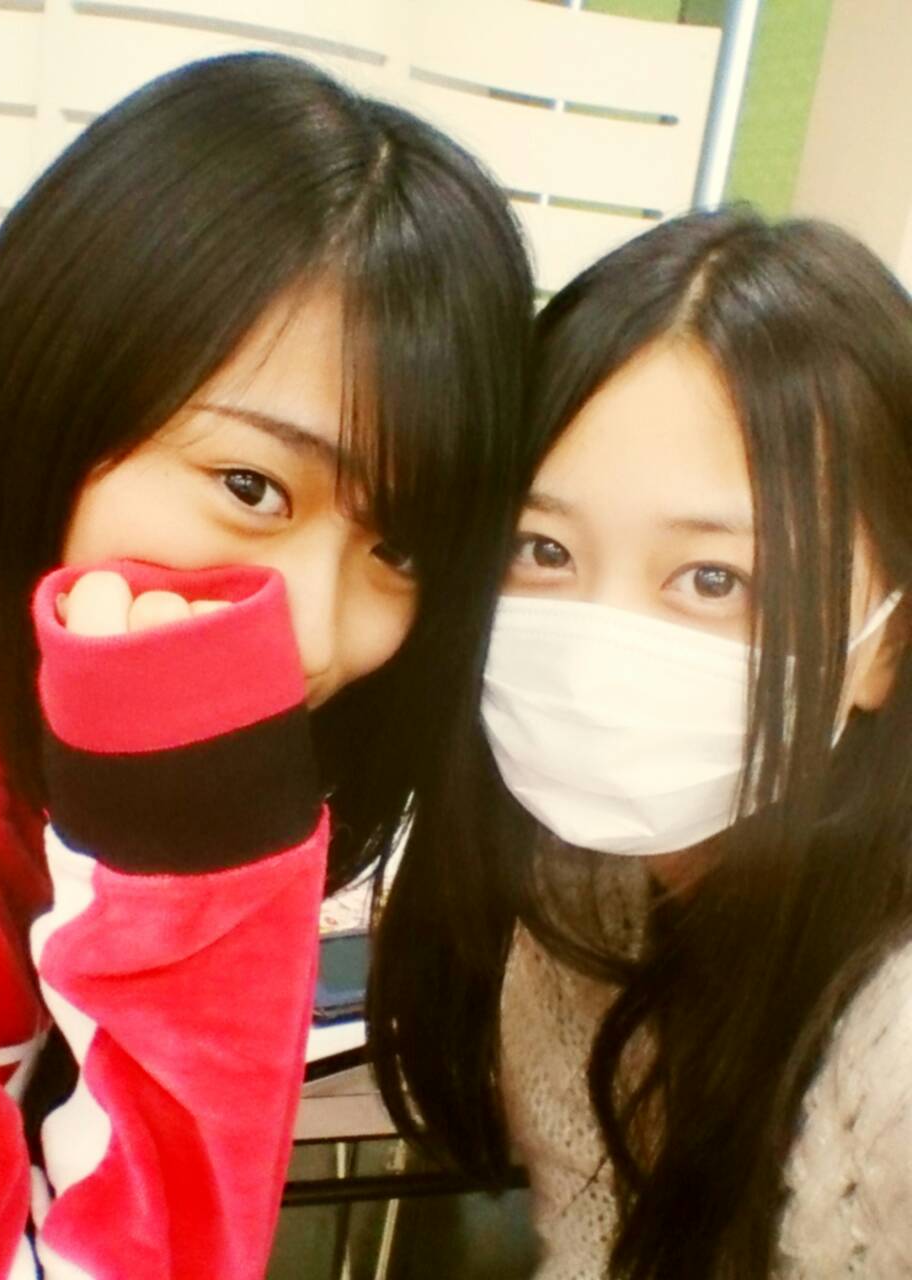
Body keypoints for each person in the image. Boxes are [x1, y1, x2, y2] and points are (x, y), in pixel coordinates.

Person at [0, 52, 533, 1277]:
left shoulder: (35, 796)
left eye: (401, 548)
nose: (313, 636)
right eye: (251, 485)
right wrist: (198, 871)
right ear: (49, 399)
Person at [370, 208, 912, 1278]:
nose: (596, 654)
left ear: (885, 646)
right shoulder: (579, 900)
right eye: (543, 549)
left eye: (715, 578)